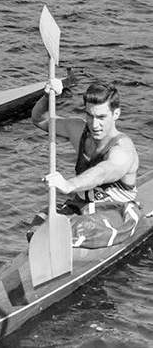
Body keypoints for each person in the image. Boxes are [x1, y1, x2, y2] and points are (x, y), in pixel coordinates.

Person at [28, 80, 141, 248]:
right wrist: (47, 96)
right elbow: (40, 120)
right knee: (41, 223)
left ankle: (72, 241)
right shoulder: (78, 130)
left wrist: (69, 185)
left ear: (116, 114)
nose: (95, 125)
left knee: (83, 228)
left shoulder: (123, 149)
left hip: (115, 211)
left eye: (102, 117)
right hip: (81, 207)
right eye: (90, 115)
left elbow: (102, 172)